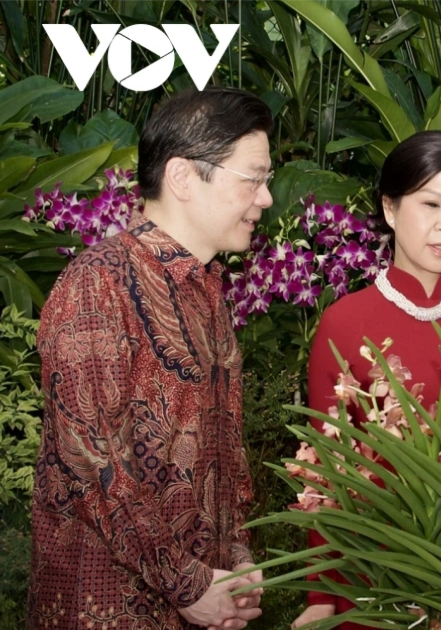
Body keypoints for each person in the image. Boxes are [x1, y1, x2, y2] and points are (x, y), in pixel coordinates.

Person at [29, 87, 272, 630]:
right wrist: (184, 583)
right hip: (108, 607)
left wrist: (238, 557)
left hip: (206, 601)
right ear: (183, 177)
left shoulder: (207, 288)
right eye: (253, 178)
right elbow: (91, 461)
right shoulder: (97, 283)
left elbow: (223, 449)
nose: (265, 199)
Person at [291, 131, 441, 629]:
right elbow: (325, 467)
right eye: (431, 204)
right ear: (391, 209)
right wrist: (320, 594)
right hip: (374, 569)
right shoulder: (343, 323)